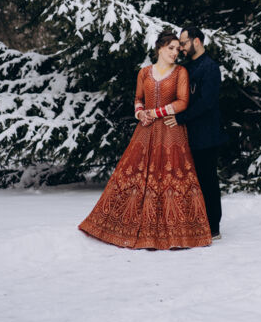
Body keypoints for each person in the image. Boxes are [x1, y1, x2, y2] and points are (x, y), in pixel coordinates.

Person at [78, 29, 212, 250]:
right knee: (134, 175)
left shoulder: (181, 72)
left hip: (171, 130)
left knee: (171, 178)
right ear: (160, 48)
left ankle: (178, 233)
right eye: (171, 48)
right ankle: (125, 227)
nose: (175, 53)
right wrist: (140, 113)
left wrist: (155, 113)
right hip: (146, 130)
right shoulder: (144, 72)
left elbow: (183, 102)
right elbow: (138, 98)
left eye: (177, 49)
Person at [164, 26, 226, 240]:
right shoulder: (187, 68)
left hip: (207, 136)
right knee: (192, 181)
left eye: (184, 43)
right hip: (189, 134)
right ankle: (197, 223)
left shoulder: (210, 68)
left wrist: (180, 118)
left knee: (208, 180)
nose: (181, 47)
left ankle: (213, 227)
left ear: (197, 41)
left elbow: (206, 103)